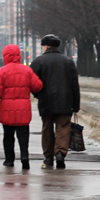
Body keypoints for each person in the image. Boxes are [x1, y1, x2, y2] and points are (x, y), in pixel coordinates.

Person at [0, 44, 42, 170]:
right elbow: (37, 86)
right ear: (19, 56)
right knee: (23, 135)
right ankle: (24, 156)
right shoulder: (27, 70)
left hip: (7, 109)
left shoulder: (2, 72)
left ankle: (9, 160)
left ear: (5, 56)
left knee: (8, 136)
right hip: (23, 109)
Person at [30, 34, 80, 169]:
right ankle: (60, 153)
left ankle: (48, 156)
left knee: (47, 128)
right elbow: (75, 84)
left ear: (46, 46)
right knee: (63, 128)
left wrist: (38, 94)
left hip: (46, 101)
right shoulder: (68, 61)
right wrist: (76, 104)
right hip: (66, 101)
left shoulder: (38, 61)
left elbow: (32, 82)